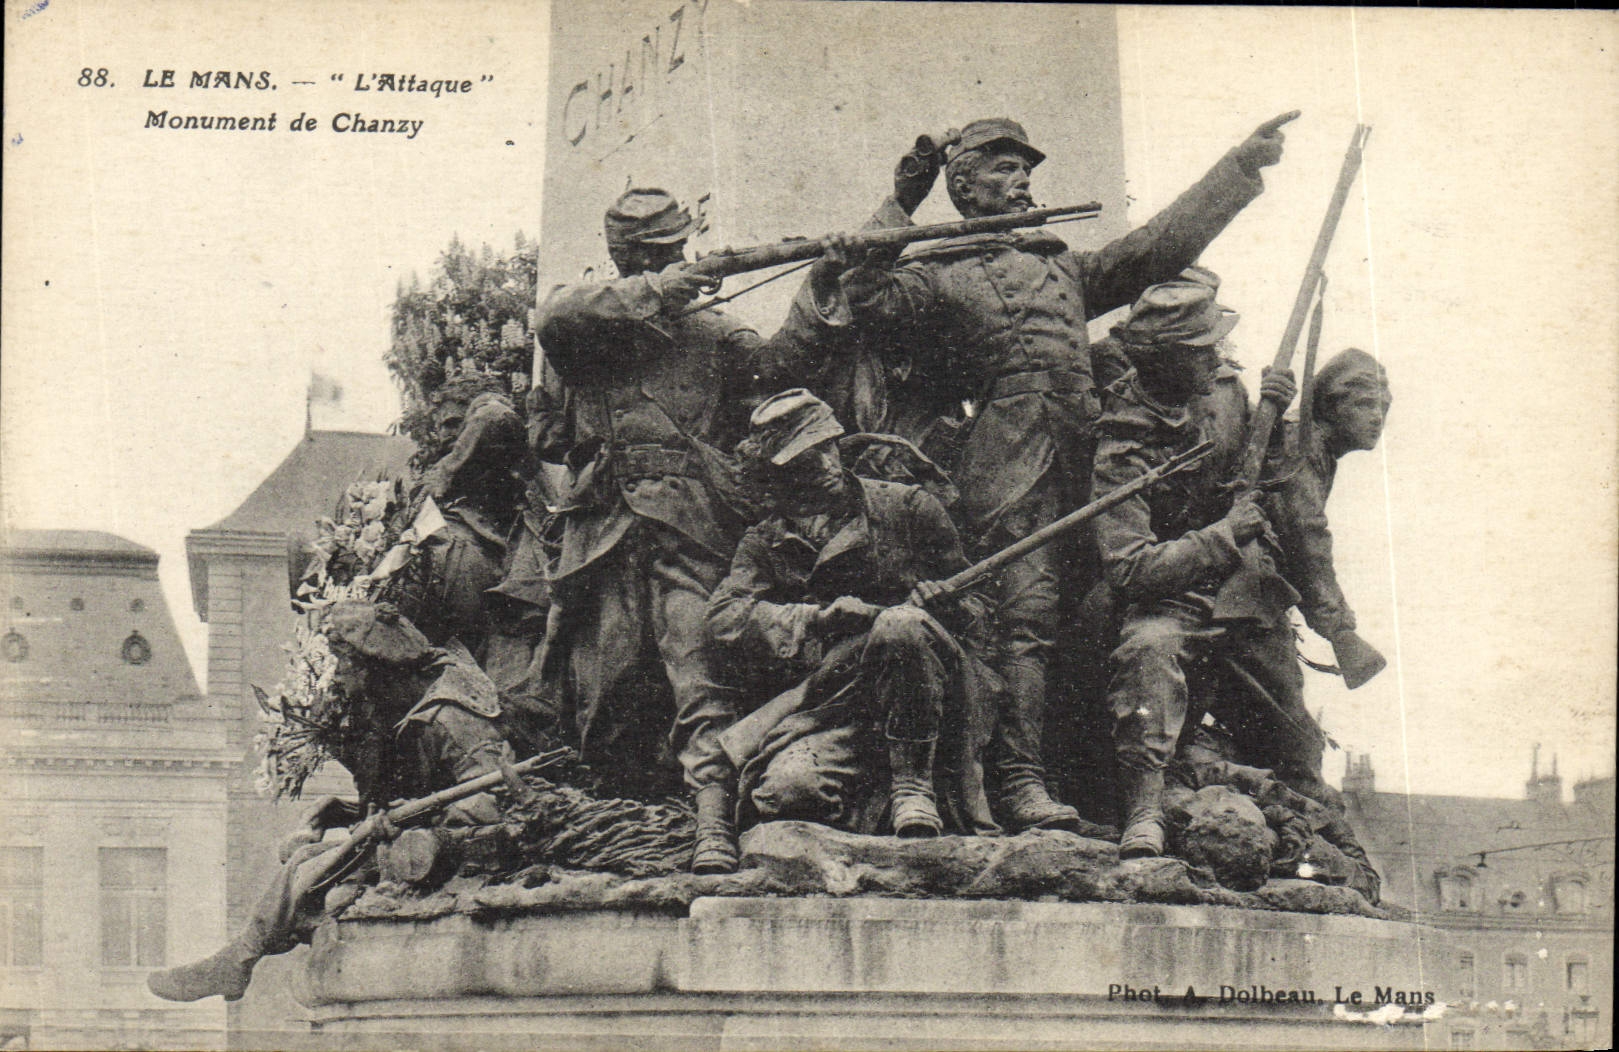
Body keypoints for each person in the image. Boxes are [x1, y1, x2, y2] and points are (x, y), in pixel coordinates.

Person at [821, 112, 1299, 832]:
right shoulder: (936, 278)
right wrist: (897, 206)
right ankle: (1017, 781)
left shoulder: (1062, 267)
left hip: (1091, 463)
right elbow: (866, 302)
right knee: (1024, 628)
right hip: (1011, 468)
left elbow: (1155, 247)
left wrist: (1238, 166)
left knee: (1100, 619)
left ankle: (1113, 786)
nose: (1022, 184)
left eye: (1025, 172)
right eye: (1004, 171)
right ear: (965, 186)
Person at [530, 188, 787, 873]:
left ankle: (712, 825)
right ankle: (614, 822)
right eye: (656, 255)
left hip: (688, 529)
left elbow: (783, 368)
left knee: (697, 670)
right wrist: (656, 292)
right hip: (605, 535)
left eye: (675, 250)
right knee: (606, 686)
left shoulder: (714, 333)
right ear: (627, 261)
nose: (675, 260)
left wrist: (831, 285)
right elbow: (551, 316)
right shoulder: (586, 333)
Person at [147, 601, 517, 1002]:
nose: (338, 677)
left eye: (345, 665)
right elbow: (426, 793)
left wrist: (411, 825)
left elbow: (491, 802)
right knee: (304, 861)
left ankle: (237, 961)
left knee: (309, 870)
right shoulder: (408, 709)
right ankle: (238, 960)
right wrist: (350, 811)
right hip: (422, 835)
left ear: (379, 669)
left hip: (464, 848)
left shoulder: (451, 717)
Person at [707, 390, 998, 838]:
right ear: (778, 471)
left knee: (900, 624)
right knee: (786, 793)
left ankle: (914, 789)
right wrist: (817, 619)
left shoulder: (907, 506)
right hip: (838, 707)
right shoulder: (765, 541)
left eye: (826, 447)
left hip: (930, 702)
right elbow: (725, 617)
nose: (824, 465)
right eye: (805, 457)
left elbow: (982, 609)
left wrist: (948, 606)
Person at [1089, 278, 1305, 859]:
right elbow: (1130, 569)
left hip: (1243, 592)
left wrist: (1278, 418)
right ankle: (1144, 811)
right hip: (1169, 599)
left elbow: (1271, 481)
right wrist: (1222, 535)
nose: (1218, 357)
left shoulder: (1225, 391)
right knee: (1148, 654)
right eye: (1203, 350)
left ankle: (1311, 839)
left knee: (1295, 728)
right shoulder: (1121, 443)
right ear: (1166, 362)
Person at [1269, 347, 1392, 689]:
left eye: (1383, 406)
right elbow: (1305, 536)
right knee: (1295, 740)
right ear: (1329, 405)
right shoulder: (1302, 440)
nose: (1378, 417)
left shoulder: (1317, 448)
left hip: (1255, 593)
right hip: (1239, 592)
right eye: (1366, 404)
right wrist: (1339, 627)